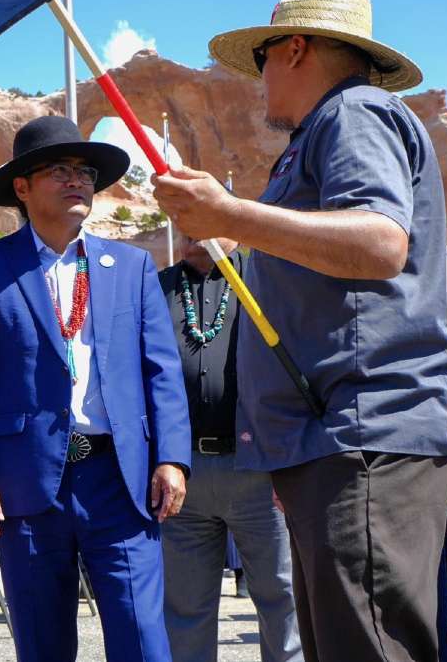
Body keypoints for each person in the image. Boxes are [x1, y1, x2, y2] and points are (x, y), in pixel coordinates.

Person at [153, 0, 447, 661]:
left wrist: (231, 216)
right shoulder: (327, 128)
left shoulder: (354, 111)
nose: (258, 79)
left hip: (362, 437)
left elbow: (380, 242)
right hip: (336, 444)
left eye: (262, 57)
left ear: (295, 49)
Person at [0, 115, 191, 662]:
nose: (77, 180)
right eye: (59, 170)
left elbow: (163, 371)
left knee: (143, 639)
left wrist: (172, 457)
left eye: (85, 172)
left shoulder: (132, 266)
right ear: (22, 188)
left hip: (121, 479)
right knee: (43, 643)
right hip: (26, 484)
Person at [156, 235, 302, 662]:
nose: (189, 229)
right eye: (183, 219)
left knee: (283, 602)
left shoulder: (266, 281)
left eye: (203, 216)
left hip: (261, 474)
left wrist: (289, 461)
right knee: (184, 613)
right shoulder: (156, 288)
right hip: (182, 476)